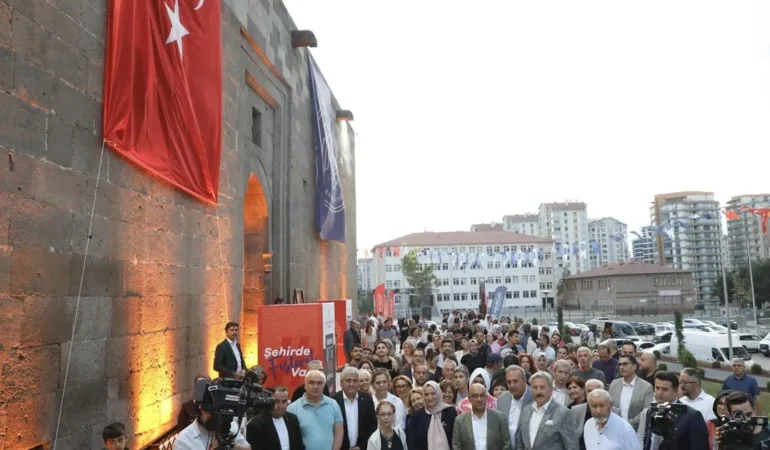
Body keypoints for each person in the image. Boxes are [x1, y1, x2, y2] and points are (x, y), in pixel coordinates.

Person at [636, 371, 709, 450]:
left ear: (676, 391)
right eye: (657, 388)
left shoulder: (692, 416)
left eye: (665, 389)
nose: (659, 393)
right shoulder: (650, 412)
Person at [514, 371, 577, 450]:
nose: (538, 391)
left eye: (542, 387)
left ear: (551, 389)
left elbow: (571, 446)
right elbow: (521, 443)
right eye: (535, 387)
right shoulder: (526, 411)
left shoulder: (563, 413)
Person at [287, 370, 344, 450]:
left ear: (324, 386)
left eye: (319, 383)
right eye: (311, 382)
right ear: (305, 385)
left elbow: (339, 432)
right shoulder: (292, 408)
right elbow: (290, 438)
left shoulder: (333, 404)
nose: (315, 386)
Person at [451, 383, 511, 450]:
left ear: (486, 398)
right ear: (469, 399)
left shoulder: (499, 418)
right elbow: (456, 446)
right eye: (475, 396)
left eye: (482, 396)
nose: (479, 399)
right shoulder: (459, 421)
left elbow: (506, 445)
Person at [333, 367, 378, 450]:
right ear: (341, 383)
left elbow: (373, 426)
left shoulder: (367, 399)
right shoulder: (334, 401)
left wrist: (361, 447)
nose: (351, 384)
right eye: (348, 380)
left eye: (355, 381)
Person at [406, 380, 457, 450]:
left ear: (438, 393)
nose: (430, 397)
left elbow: (456, 439)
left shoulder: (450, 411)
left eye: (433, 394)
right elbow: (412, 442)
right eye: (426, 394)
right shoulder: (416, 416)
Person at [173, 403, 250, 449]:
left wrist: (232, 446)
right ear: (202, 409)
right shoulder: (183, 440)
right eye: (214, 414)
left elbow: (248, 448)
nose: (219, 420)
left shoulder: (231, 425)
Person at [569, 379, 620, 450]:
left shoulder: (614, 411)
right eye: (589, 391)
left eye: (596, 390)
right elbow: (570, 435)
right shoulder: (576, 410)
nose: (592, 393)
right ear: (585, 392)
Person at [608, 355, 653, 430]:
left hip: (635, 429)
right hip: (615, 427)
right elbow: (609, 405)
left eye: (625, 364)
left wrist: (629, 424)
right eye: (620, 364)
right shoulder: (614, 384)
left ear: (635, 366)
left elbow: (647, 411)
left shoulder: (646, 387)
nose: (622, 367)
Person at [496, 365, 533, 448]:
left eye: (515, 381)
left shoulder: (535, 398)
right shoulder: (502, 399)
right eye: (509, 382)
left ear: (525, 381)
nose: (512, 385)